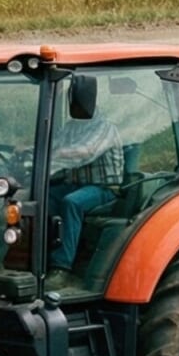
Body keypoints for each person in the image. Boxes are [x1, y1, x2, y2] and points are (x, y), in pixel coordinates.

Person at [46, 104, 129, 277]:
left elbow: (86, 152)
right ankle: (39, 256)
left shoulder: (104, 128)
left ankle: (61, 267)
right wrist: (31, 151)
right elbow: (52, 146)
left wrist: (52, 155)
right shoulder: (71, 127)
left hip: (103, 188)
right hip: (74, 185)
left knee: (72, 202)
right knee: (40, 197)